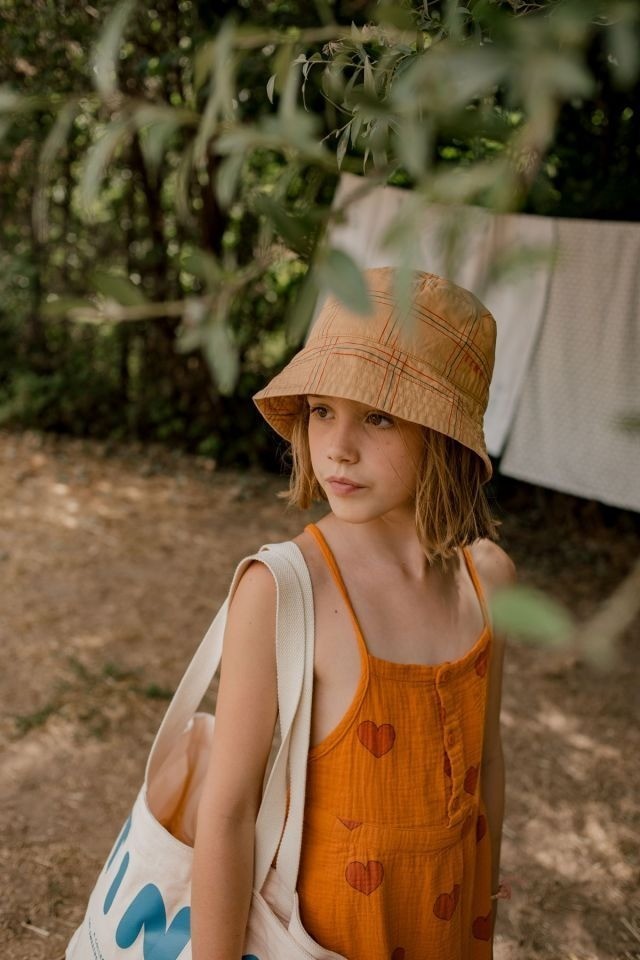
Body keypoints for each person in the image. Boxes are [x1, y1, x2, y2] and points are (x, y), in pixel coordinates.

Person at [191, 267, 516, 960]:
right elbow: (228, 814)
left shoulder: (489, 582)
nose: (337, 446)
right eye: (322, 410)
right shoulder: (283, 590)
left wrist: (481, 913)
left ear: (445, 433)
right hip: (325, 940)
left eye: (378, 415)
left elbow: (487, 764)